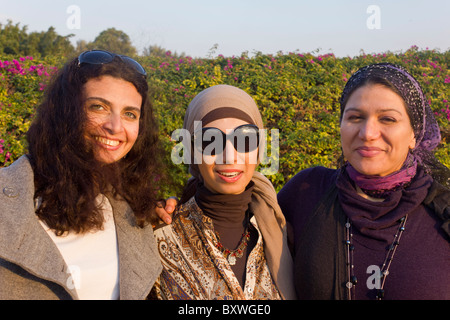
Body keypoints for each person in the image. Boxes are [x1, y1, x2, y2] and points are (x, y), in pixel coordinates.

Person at [277, 63, 450, 300]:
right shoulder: (306, 192)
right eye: (355, 117)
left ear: (414, 133)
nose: (368, 133)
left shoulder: (443, 211)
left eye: (388, 119)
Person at [0, 50, 163, 299]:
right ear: (65, 111)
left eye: (130, 114)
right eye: (98, 107)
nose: (115, 127)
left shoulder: (131, 211)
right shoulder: (9, 199)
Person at [149, 84, 296, 300]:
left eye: (245, 139)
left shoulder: (285, 234)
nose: (229, 156)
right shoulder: (158, 238)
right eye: (210, 141)